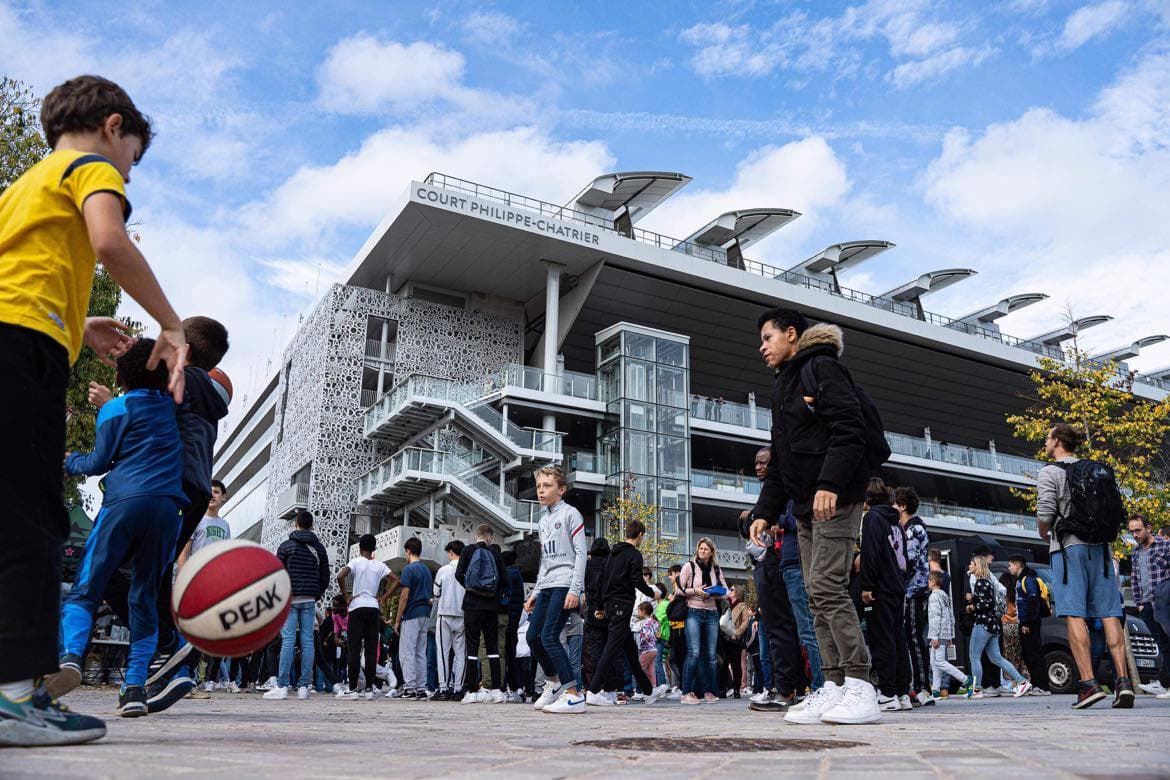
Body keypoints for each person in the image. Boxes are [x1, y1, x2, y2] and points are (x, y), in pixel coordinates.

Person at [0, 75, 189, 747]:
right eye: (133, 157)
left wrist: (79, 325)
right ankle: (16, 700)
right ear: (115, 128)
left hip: (20, 334)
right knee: (32, 521)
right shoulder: (89, 168)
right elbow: (110, 241)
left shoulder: (23, 185)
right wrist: (170, 324)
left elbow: (19, 273)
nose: (129, 172)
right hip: (25, 352)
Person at [748, 308, 881, 725]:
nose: (762, 347)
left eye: (768, 337)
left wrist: (831, 484)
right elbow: (783, 459)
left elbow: (850, 431)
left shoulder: (822, 367)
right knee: (813, 594)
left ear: (792, 334)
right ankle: (835, 684)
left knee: (827, 587)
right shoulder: (783, 385)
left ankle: (861, 684)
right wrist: (765, 512)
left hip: (834, 500)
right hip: (804, 505)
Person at [53, 339, 186, 719]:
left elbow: (98, 462)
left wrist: (70, 460)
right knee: (143, 596)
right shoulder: (173, 407)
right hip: (166, 509)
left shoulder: (114, 408)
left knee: (89, 584)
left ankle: (72, 656)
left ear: (119, 375)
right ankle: (134, 690)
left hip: (123, 502)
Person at [1037, 423, 1132, 709]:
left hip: (1069, 549)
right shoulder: (1095, 468)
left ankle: (1089, 684)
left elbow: (1045, 511)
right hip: (1101, 548)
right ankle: (1123, 682)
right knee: (1109, 613)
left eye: (1048, 437)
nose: (1045, 441)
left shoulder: (1049, 472)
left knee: (1073, 614)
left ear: (1056, 441)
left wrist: (1044, 531)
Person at [738, 447, 810, 713]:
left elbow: (769, 521)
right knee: (782, 631)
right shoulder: (770, 493)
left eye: (763, 463)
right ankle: (789, 688)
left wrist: (754, 517)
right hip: (774, 564)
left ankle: (785, 690)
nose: (758, 467)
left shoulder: (781, 492)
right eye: (755, 462)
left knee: (782, 630)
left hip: (778, 564)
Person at [577, 520, 668, 714]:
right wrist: (654, 593)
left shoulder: (612, 554)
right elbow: (636, 580)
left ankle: (648, 690)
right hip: (622, 605)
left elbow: (603, 580)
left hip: (610, 605)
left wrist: (601, 606)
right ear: (641, 534)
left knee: (630, 650)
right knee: (611, 648)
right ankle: (593, 690)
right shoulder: (634, 554)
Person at [524, 467, 588, 712]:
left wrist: (576, 589)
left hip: (565, 583)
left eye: (547, 485)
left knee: (550, 637)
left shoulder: (572, 514)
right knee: (533, 637)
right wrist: (536, 592)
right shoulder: (543, 521)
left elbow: (582, 554)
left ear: (561, 490)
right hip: (548, 585)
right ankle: (554, 682)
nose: (541, 490)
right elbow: (545, 561)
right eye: (539, 486)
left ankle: (574, 695)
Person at [262, 510, 331, 701]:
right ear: (312, 526)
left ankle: (282, 686)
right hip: (309, 599)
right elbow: (325, 575)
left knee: (288, 640)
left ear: (296, 524)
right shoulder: (319, 548)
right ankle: (304, 688)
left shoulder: (286, 546)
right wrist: (316, 593)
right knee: (308, 641)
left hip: (290, 599)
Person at [859, 479, 912, 711]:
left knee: (882, 641)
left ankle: (888, 693)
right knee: (898, 639)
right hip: (897, 586)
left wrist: (867, 585)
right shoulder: (897, 522)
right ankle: (903, 692)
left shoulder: (873, 518)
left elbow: (871, 553)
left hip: (879, 586)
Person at [175, 479, 230, 696]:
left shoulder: (225, 525)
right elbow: (183, 551)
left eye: (217, 492)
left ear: (223, 497)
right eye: (210, 492)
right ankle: (179, 677)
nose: (213, 496)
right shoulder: (196, 518)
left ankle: (190, 680)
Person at [336, 534, 394, 700]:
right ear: (374, 548)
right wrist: (382, 598)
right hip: (373, 608)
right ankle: (369, 688)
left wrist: (346, 596)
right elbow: (396, 580)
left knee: (354, 649)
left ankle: (353, 688)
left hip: (357, 607)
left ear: (360, 547)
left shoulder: (355, 562)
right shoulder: (380, 565)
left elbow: (340, 576)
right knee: (370, 650)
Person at [965, 556, 1031, 698]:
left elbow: (983, 605)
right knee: (996, 658)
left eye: (971, 563)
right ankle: (1022, 681)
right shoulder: (990, 582)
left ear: (977, 566)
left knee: (974, 656)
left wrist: (970, 606)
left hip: (982, 624)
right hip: (993, 624)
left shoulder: (980, 583)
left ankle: (976, 690)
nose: (969, 566)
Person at [455, 525, 506, 703]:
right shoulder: (495, 553)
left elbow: (458, 574)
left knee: (472, 646)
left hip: (471, 605)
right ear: (489, 538)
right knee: (492, 648)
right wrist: (492, 594)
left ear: (476, 536)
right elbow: (504, 580)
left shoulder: (468, 551)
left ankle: (471, 691)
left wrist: (471, 589)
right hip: (491, 606)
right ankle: (497, 691)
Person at [678, 537, 729, 704]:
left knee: (712, 655)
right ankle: (686, 692)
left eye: (706, 549)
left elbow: (726, 591)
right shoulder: (689, 566)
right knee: (694, 652)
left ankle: (710, 691)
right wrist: (696, 591)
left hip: (712, 613)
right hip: (694, 611)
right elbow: (678, 589)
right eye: (701, 548)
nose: (703, 551)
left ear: (711, 552)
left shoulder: (716, 568)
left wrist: (717, 592)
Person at [895, 486, 932, 705]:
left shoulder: (912, 529)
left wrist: (899, 580)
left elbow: (909, 559)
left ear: (903, 506)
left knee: (915, 637)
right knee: (913, 636)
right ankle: (920, 685)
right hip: (915, 588)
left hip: (913, 589)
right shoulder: (915, 527)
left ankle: (922, 688)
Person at [1127, 516, 1170, 698]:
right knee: (1162, 644)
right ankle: (1165, 683)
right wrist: (1139, 603)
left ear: (1148, 528)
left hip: (1164, 602)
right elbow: (1135, 578)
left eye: (1138, 530)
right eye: (1132, 531)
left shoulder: (1165, 546)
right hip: (1146, 605)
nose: (1135, 535)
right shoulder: (1136, 552)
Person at [394, 537, 433, 700]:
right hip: (425, 613)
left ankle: (409, 687)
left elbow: (404, 596)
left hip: (411, 613)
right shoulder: (427, 570)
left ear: (408, 551)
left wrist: (397, 620)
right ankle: (421, 687)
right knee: (420, 652)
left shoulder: (408, 570)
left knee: (407, 652)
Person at [1007, 555, 1052, 695]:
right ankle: (1037, 684)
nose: (1009, 568)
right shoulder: (1021, 579)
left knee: (1034, 653)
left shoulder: (1028, 579)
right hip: (1025, 621)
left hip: (1030, 622)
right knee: (1028, 654)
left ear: (1018, 565)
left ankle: (1043, 686)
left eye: (1011, 565)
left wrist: (1027, 623)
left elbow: (1033, 601)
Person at [582, 537, 617, 704]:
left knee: (592, 651)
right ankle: (609, 688)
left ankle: (593, 687)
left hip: (591, 611)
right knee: (609, 651)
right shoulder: (612, 564)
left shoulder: (587, 565)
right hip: (609, 612)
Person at [925, 571, 969, 697]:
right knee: (934, 661)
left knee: (939, 661)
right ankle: (936, 689)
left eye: (928, 581)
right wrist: (950, 635)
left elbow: (935, 617)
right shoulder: (944, 595)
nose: (927, 584)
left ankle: (966, 680)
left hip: (937, 634)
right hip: (944, 633)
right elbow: (950, 616)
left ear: (933, 582)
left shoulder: (933, 596)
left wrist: (934, 637)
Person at [432, 540, 465, 701]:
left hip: (445, 613)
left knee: (443, 652)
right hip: (463, 614)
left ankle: (443, 687)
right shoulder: (467, 569)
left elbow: (436, 593)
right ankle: (458, 688)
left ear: (451, 552)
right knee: (460, 653)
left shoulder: (443, 570)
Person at [501, 549, 527, 702]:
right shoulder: (517, 575)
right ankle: (517, 687)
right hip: (515, 620)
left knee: (506, 655)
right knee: (512, 654)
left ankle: (508, 686)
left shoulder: (508, 575)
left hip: (507, 619)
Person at [635, 602, 660, 686]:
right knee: (651, 670)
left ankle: (643, 689)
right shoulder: (654, 621)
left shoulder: (646, 623)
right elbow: (657, 634)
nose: (638, 613)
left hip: (647, 650)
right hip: (653, 649)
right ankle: (653, 688)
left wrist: (640, 644)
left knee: (638, 669)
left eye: (638, 611)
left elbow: (646, 636)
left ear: (643, 611)